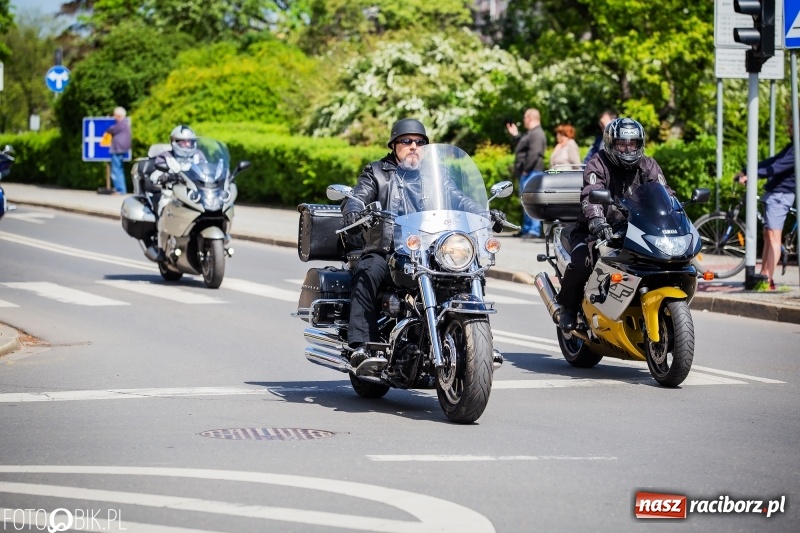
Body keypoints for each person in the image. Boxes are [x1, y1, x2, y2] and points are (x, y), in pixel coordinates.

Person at [341, 118, 507, 366]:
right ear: (394, 145)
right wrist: (354, 210)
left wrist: (485, 212)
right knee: (368, 270)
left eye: (419, 142)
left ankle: (479, 344)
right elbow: (357, 196)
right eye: (406, 141)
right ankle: (362, 345)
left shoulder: (434, 175)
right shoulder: (376, 172)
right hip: (389, 249)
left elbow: (458, 198)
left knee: (471, 273)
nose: (413, 146)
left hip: (431, 250)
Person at [557, 117, 674, 330]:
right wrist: (597, 221)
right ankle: (568, 307)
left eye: (633, 144)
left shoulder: (648, 165)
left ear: (640, 144)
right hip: (596, 229)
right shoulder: (597, 164)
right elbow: (591, 194)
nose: (628, 149)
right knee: (583, 263)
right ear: (611, 144)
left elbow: (665, 194)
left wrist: (676, 216)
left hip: (635, 229)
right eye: (622, 144)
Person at [734, 122, 796, 290]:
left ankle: (768, 281)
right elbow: (772, 161)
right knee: (768, 235)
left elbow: (776, 168)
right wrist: (747, 170)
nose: (788, 128)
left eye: (791, 126)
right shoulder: (792, 147)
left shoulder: (797, 149)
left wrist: (752, 175)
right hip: (775, 193)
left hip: (781, 195)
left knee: (774, 237)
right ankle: (763, 276)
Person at [506, 108, 546, 238]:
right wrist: (515, 135)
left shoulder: (537, 133)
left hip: (532, 172)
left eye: (524, 117)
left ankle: (533, 230)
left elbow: (534, 154)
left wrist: (526, 169)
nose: (523, 120)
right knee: (526, 201)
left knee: (531, 201)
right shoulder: (531, 133)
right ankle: (527, 228)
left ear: (529, 118)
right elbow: (523, 147)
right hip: (528, 172)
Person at [106, 106, 132, 194]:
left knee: (116, 170)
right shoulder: (125, 124)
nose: (114, 117)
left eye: (115, 115)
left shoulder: (121, 124)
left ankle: (120, 190)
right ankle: (121, 189)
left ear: (118, 115)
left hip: (117, 149)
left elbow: (110, 129)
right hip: (121, 149)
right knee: (119, 169)